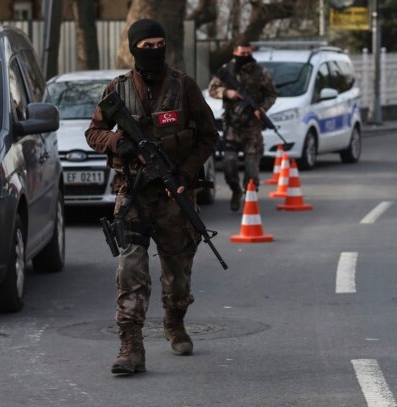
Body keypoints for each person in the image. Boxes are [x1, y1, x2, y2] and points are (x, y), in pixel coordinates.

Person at [85, 19, 218, 375]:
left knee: (178, 275)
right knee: (131, 268)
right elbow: (94, 132)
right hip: (132, 195)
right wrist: (118, 142)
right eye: (147, 45)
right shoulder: (119, 89)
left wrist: (185, 172)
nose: (154, 50)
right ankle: (131, 345)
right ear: (134, 49)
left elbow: (209, 135)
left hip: (174, 196)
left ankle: (174, 320)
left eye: (160, 43)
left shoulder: (184, 87)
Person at [208, 40, 277, 212]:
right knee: (229, 165)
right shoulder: (227, 71)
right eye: (242, 54)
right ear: (235, 53)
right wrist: (226, 93)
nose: (245, 57)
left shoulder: (260, 72)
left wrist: (261, 109)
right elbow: (212, 89)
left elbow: (271, 94)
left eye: (248, 53)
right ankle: (236, 190)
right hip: (232, 126)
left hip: (252, 128)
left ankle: (250, 200)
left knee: (251, 169)